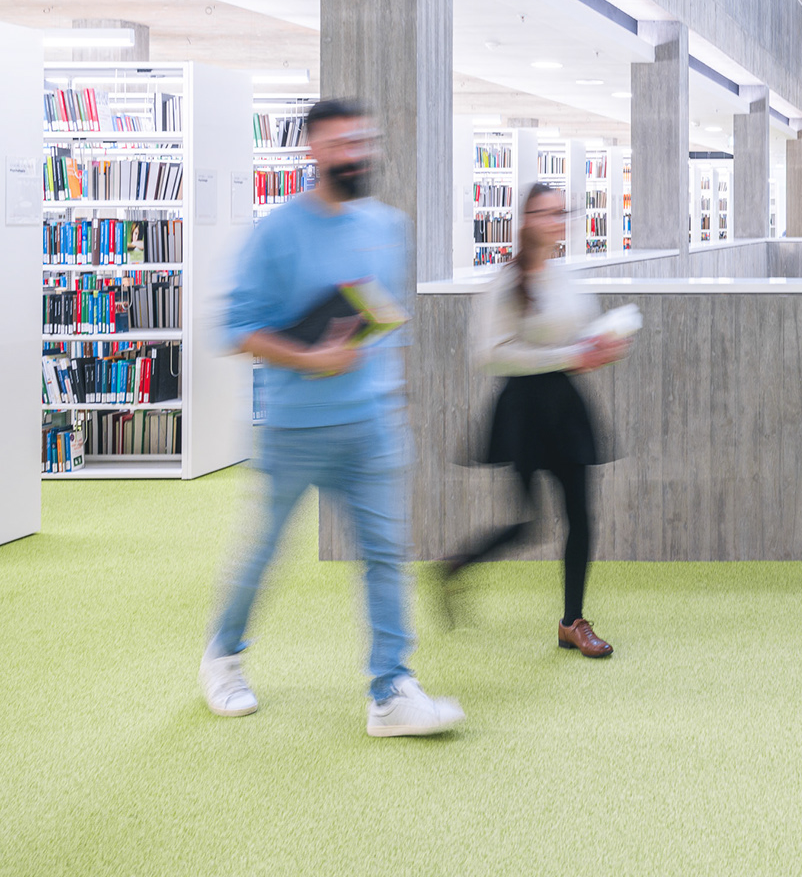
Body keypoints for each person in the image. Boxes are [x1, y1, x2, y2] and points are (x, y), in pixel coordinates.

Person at [201, 98, 463, 737]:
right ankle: (223, 657)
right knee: (265, 550)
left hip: (371, 426)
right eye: (341, 144)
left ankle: (391, 691)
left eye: (362, 142)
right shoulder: (277, 232)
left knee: (386, 555)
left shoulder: (390, 227)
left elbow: (389, 322)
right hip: (296, 427)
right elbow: (234, 329)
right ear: (314, 152)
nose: (356, 155)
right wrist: (308, 357)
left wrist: (394, 399)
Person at [441, 183, 627, 656]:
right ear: (526, 221)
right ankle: (457, 566)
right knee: (528, 523)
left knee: (581, 517)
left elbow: (578, 336)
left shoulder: (565, 277)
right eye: (546, 213)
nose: (556, 221)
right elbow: (491, 355)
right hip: (524, 411)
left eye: (561, 212)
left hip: (566, 407)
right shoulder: (506, 283)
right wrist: (569, 354)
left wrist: (601, 345)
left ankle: (572, 622)